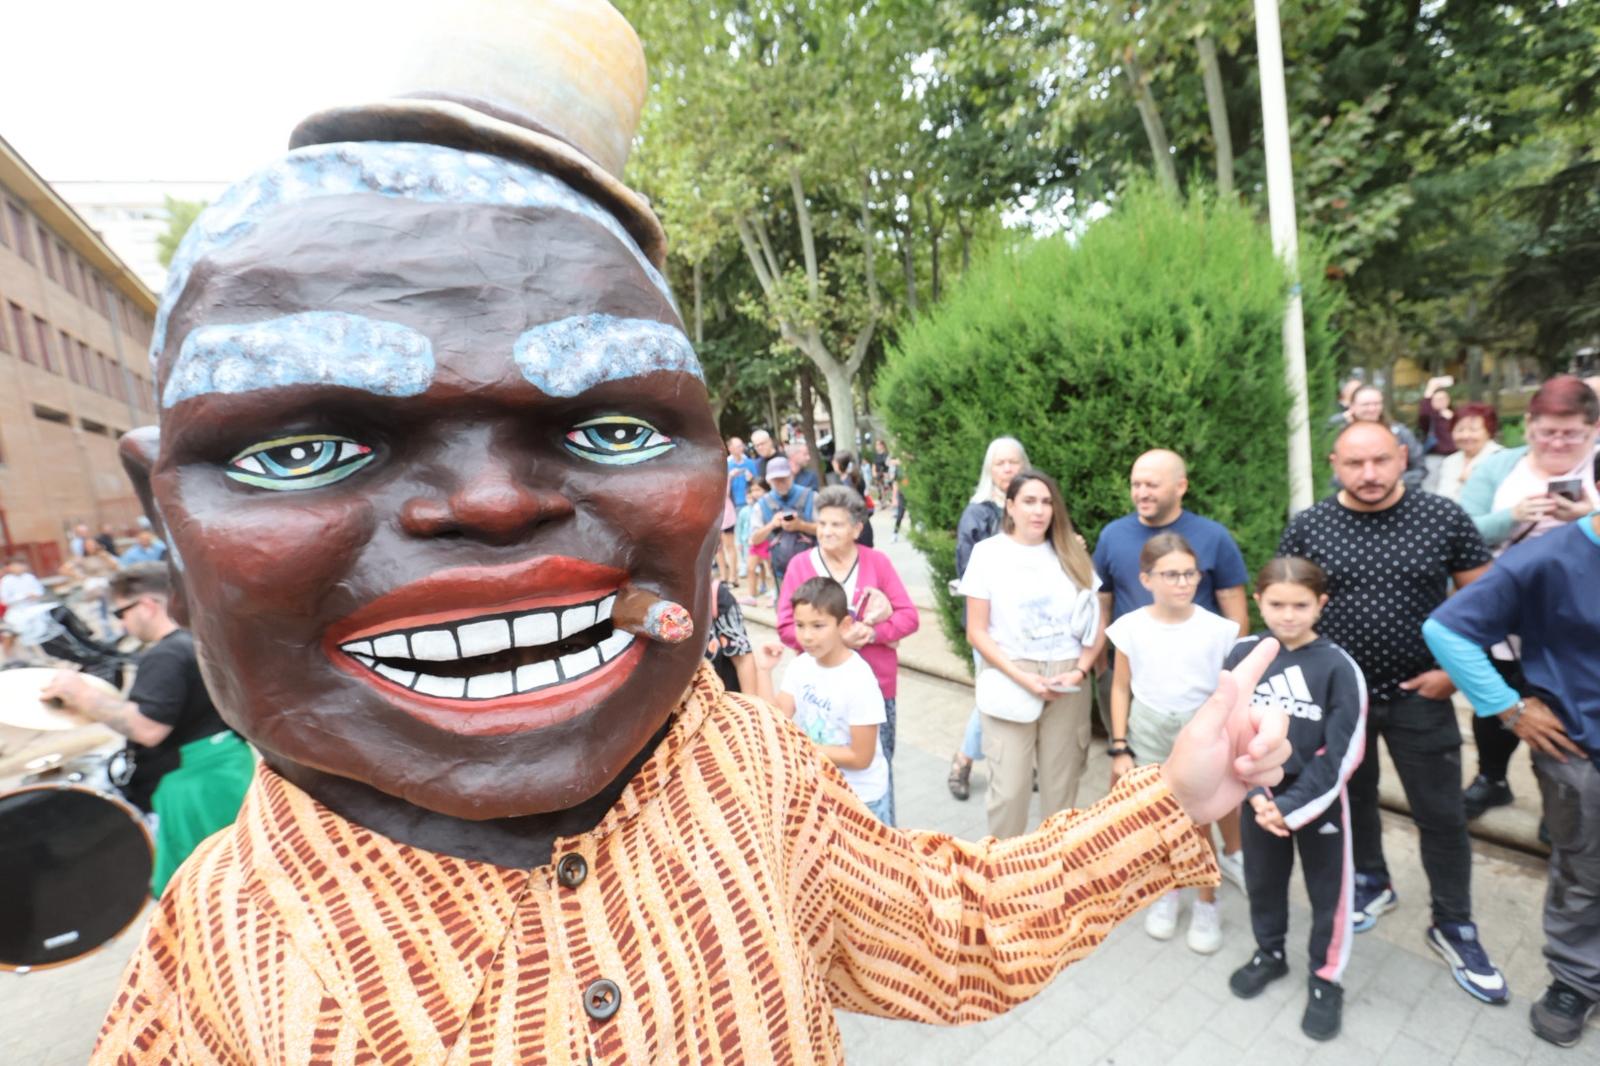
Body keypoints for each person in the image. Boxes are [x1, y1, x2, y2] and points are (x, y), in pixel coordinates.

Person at [91, 7, 1294, 1058]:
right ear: (168, 521)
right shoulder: (215, 969)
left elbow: (949, 929)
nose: (497, 503)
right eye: (307, 446)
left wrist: (1176, 793)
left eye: (611, 425)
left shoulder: (743, 767)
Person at [1278, 420, 1507, 1003]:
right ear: (1334, 463)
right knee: (1354, 803)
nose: (1371, 475)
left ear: (1403, 455)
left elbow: (1487, 602)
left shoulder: (1442, 517)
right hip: (1341, 702)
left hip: (1419, 698)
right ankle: (1372, 881)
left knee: (1442, 817)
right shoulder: (1310, 526)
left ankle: (1453, 923)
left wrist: (1454, 673)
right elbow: (1290, 609)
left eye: (1381, 460)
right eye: (1355, 465)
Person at [1423, 508, 1600, 1049]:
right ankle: (1576, 980)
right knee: (1585, 871)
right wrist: (1507, 706)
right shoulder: (1548, 558)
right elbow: (1446, 629)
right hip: (1583, 751)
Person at [41, 564, 254, 897]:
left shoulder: (166, 655)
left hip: (194, 781)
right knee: (238, 872)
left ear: (148, 605)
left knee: (203, 890)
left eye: (121, 612)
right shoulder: (197, 640)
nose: (120, 623)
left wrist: (82, 694)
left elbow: (148, 728)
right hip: (226, 765)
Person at [1091, 448, 1252, 888]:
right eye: (1136, 483)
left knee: (1216, 786)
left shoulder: (1212, 537)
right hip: (1137, 678)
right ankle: (1161, 869)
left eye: (1151, 484)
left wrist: (1233, 688)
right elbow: (1103, 598)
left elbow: (1235, 609)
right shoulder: (1113, 535)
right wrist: (1100, 659)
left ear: (1180, 486)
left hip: (1198, 691)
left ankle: (1232, 856)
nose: (1141, 492)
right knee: (1148, 786)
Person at [1224, 558, 1367, 1043]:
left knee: (1330, 894)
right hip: (1256, 796)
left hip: (1317, 802)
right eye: (1276, 604)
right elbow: (1229, 728)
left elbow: (1344, 750)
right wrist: (1261, 796)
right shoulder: (1243, 653)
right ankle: (1270, 953)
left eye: (1300, 605)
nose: (1288, 615)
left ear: (1320, 604)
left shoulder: (1337, 666)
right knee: (1263, 882)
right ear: (1258, 600)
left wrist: (1290, 805)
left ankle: (1326, 979)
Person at [1457, 376, 1599, 818]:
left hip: (1579, 623)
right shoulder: (1500, 469)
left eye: (1570, 432)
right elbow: (1460, 529)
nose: (1557, 441)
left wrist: (1587, 516)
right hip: (1505, 613)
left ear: (1592, 428)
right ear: (1529, 425)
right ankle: (1492, 778)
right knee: (1496, 701)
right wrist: (1511, 516)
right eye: (1546, 430)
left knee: (1568, 715)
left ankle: (1561, 806)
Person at [1106, 533, 1241, 953]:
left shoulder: (1220, 630)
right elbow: (1121, 687)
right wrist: (1120, 744)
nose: (1183, 583)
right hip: (1147, 728)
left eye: (1189, 573)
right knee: (1160, 818)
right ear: (1146, 579)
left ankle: (1207, 898)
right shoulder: (1129, 627)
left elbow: (1230, 691)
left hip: (1199, 730)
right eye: (1171, 575)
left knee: (1198, 820)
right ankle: (1167, 889)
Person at [959, 470, 1102, 839]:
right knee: (1009, 792)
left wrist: (1081, 670)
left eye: (1046, 501)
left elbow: (1096, 620)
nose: (1039, 510)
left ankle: (1054, 878)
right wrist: (1022, 678)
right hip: (1011, 676)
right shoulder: (988, 554)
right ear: (1010, 506)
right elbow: (976, 630)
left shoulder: (1071, 550)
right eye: (1029, 501)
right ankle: (1004, 881)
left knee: (1061, 793)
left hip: (1069, 677)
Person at [776, 485, 918, 823]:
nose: (826, 532)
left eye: (837, 525)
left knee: (874, 769)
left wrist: (872, 633)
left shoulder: (877, 562)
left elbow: (908, 617)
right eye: (822, 523)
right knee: (822, 771)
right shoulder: (801, 565)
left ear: (857, 528)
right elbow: (785, 626)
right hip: (821, 691)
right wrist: (832, 640)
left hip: (876, 687)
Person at [757, 577, 891, 821]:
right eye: (800, 625)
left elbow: (861, 757)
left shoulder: (859, 680)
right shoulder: (800, 666)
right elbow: (777, 718)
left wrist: (800, 748)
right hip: (819, 791)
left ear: (844, 625)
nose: (807, 636)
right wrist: (764, 670)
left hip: (861, 800)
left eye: (818, 626)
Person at [947, 435, 1029, 800]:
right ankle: (963, 759)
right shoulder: (978, 513)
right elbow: (970, 576)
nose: (1008, 469)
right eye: (1001, 463)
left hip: (1030, 626)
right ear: (990, 470)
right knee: (992, 695)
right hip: (991, 626)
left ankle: (1021, 764)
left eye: (1014, 462)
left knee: (1021, 690)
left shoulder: (1035, 508)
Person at [750, 456, 818, 592]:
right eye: (776, 480)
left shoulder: (812, 497)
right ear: (769, 481)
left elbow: (826, 530)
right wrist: (772, 525)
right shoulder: (761, 505)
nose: (780, 483)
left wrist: (801, 526)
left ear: (791, 475)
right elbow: (754, 540)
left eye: (784, 478)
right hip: (781, 572)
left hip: (813, 569)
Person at [1339, 385, 1426, 490]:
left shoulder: (1400, 433)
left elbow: (1420, 468)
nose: (1372, 409)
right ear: (1352, 407)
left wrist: (1393, 483)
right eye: (1365, 405)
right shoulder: (1342, 436)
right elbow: (1334, 475)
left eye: (1376, 404)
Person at [1434, 402, 1503, 504]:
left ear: (1489, 431)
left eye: (1473, 430)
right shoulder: (1449, 461)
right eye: (1460, 430)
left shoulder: (1502, 458)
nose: (1465, 436)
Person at [59, 536, 122, 636]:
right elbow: (64, 569)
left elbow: (116, 567)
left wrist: (105, 556)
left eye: (93, 544)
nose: (91, 547)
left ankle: (109, 621)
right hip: (95, 584)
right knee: (102, 593)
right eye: (88, 545)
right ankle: (105, 622)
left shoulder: (103, 555)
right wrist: (78, 576)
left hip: (108, 582)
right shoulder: (81, 559)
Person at [705, 573, 754, 695]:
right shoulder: (652, 598)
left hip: (721, 703)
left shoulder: (714, 594)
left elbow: (743, 658)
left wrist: (750, 707)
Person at [1418, 375, 1457, 492]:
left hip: (1455, 457)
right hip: (1435, 457)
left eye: (1444, 398)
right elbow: (1424, 413)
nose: (1441, 401)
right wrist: (1430, 388)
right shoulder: (1430, 417)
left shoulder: (1456, 416)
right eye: (1437, 399)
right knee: (1431, 487)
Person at [739, 479, 773, 604]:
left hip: (768, 540)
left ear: (766, 489)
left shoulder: (770, 503)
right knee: (751, 568)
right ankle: (751, 595)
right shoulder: (750, 506)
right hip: (754, 541)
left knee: (772, 569)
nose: (755, 493)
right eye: (753, 490)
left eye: (758, 489)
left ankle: (775, 594)